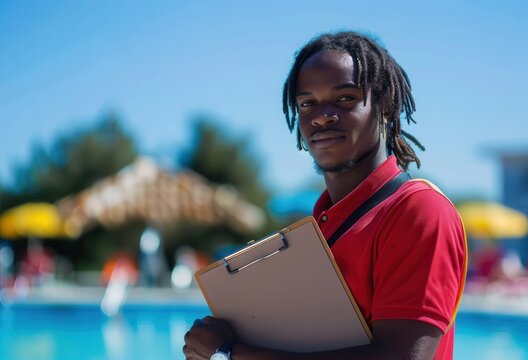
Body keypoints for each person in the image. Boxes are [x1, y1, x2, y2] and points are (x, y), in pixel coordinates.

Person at [184, 31, 467, 360]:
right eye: (307, 103)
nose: (321, 115)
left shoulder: (419, 210)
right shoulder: (318, 227)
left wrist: (235, 352)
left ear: (386, 106)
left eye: (345, 98)